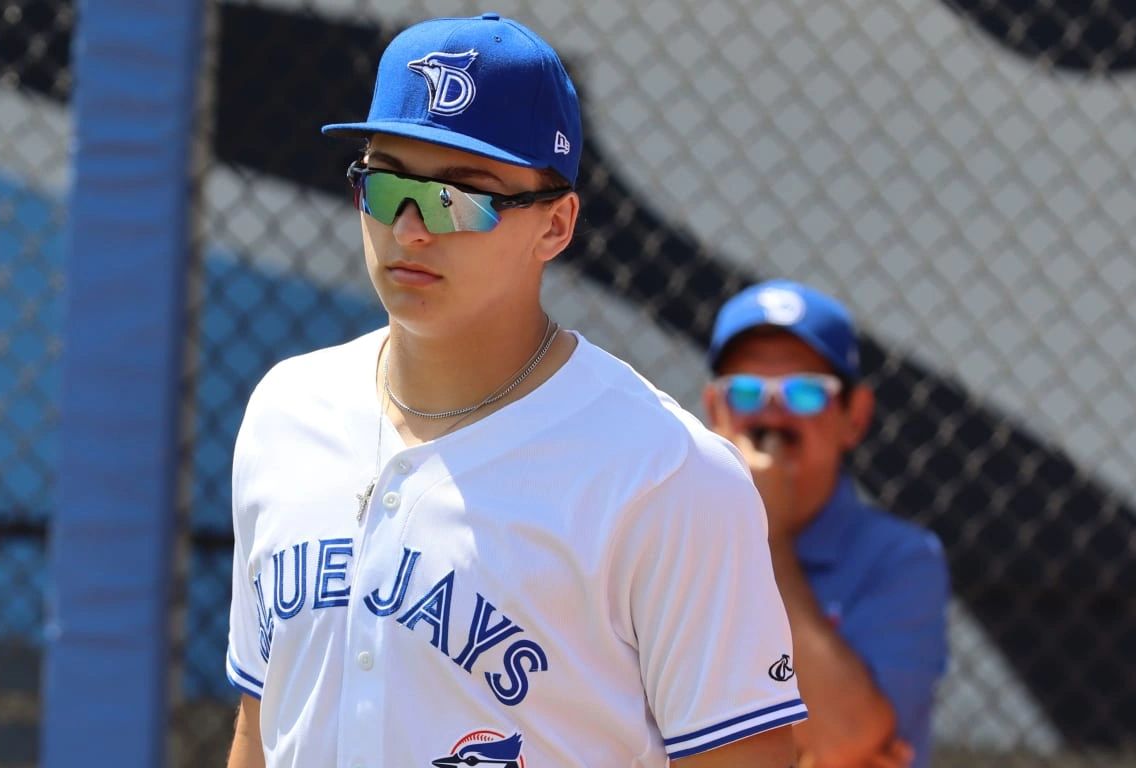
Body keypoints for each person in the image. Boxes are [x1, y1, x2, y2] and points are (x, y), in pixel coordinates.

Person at [225, 13, 806, 768]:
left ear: (556, 226)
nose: (411, 228)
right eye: (387, 183)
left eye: (462, 196)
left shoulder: (665, 475)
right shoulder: (287, 413)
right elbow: (258, 730)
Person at [701, 280, 950, 768]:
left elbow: (842, 739)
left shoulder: (902, 559)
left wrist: (765, 540)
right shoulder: (667, 538)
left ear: (854, 417)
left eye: (805, 394)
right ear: (714, 412)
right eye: (747, 392)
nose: (772, 411)